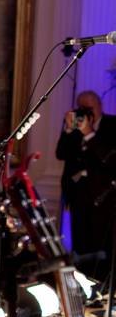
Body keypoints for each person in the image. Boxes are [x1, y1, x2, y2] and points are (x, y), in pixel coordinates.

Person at [56, 89, 116, 279]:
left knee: (100, 245)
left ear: (99, 107)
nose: (85, 112)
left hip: (103, 198)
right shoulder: (73, 127)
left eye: (88, 108)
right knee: (80, 244)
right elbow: (61, 154)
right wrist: (67, 130)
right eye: (80, 108)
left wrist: (89, 133)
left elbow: (110, 159)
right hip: (77, 194)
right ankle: (82, 284)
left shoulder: (113, 125)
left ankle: (100, 284)